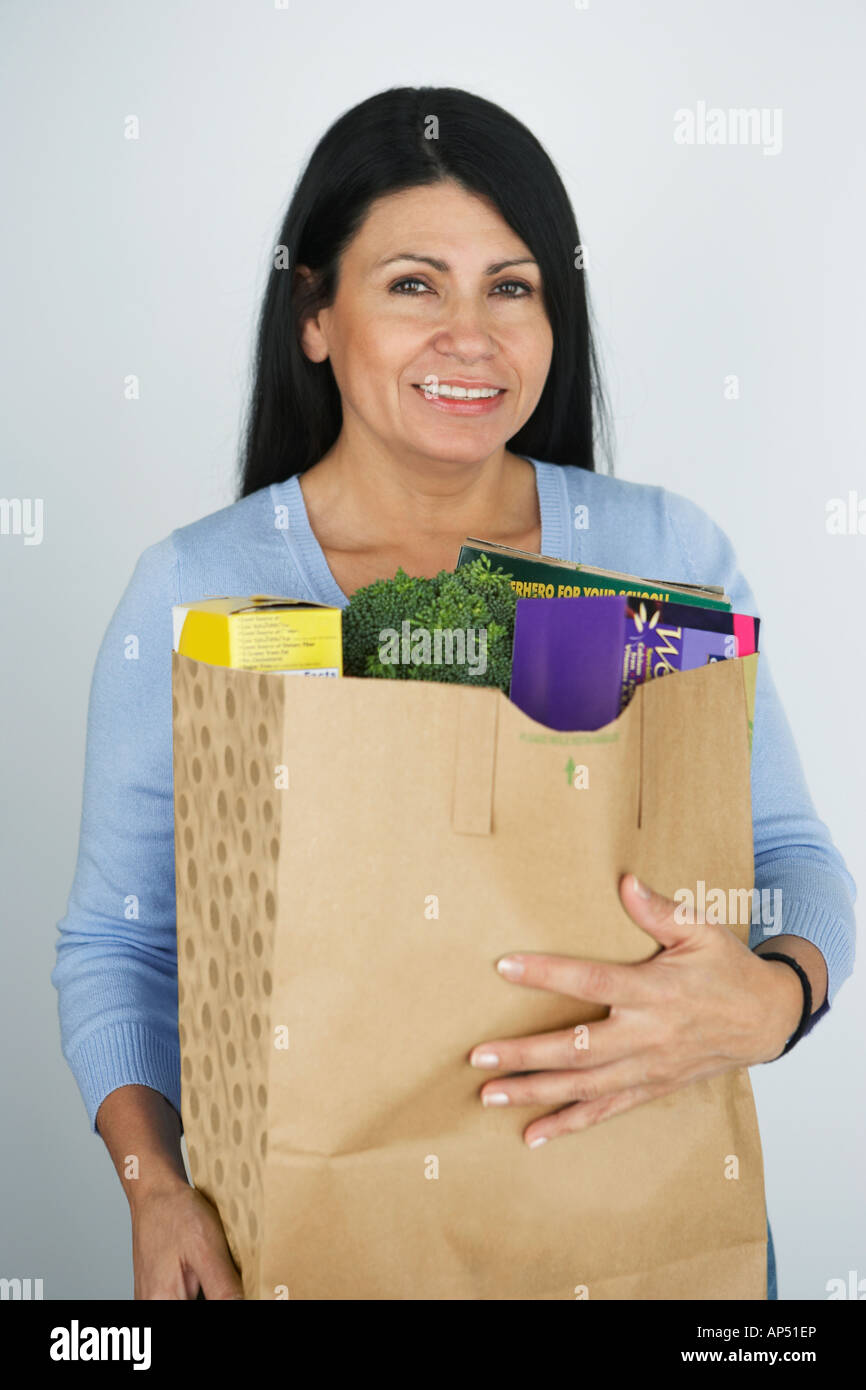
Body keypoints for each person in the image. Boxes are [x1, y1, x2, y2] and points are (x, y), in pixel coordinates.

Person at [52, 85, 854, 1301]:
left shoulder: (663, 557)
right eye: (414, 284)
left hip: (645, 1236)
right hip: (313, 1247)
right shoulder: (198, 587)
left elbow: (790, 852)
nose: (469, 336)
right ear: (315, 315)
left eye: (512, 287)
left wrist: (773, 995)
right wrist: (153, 1191)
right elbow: (118, 940)